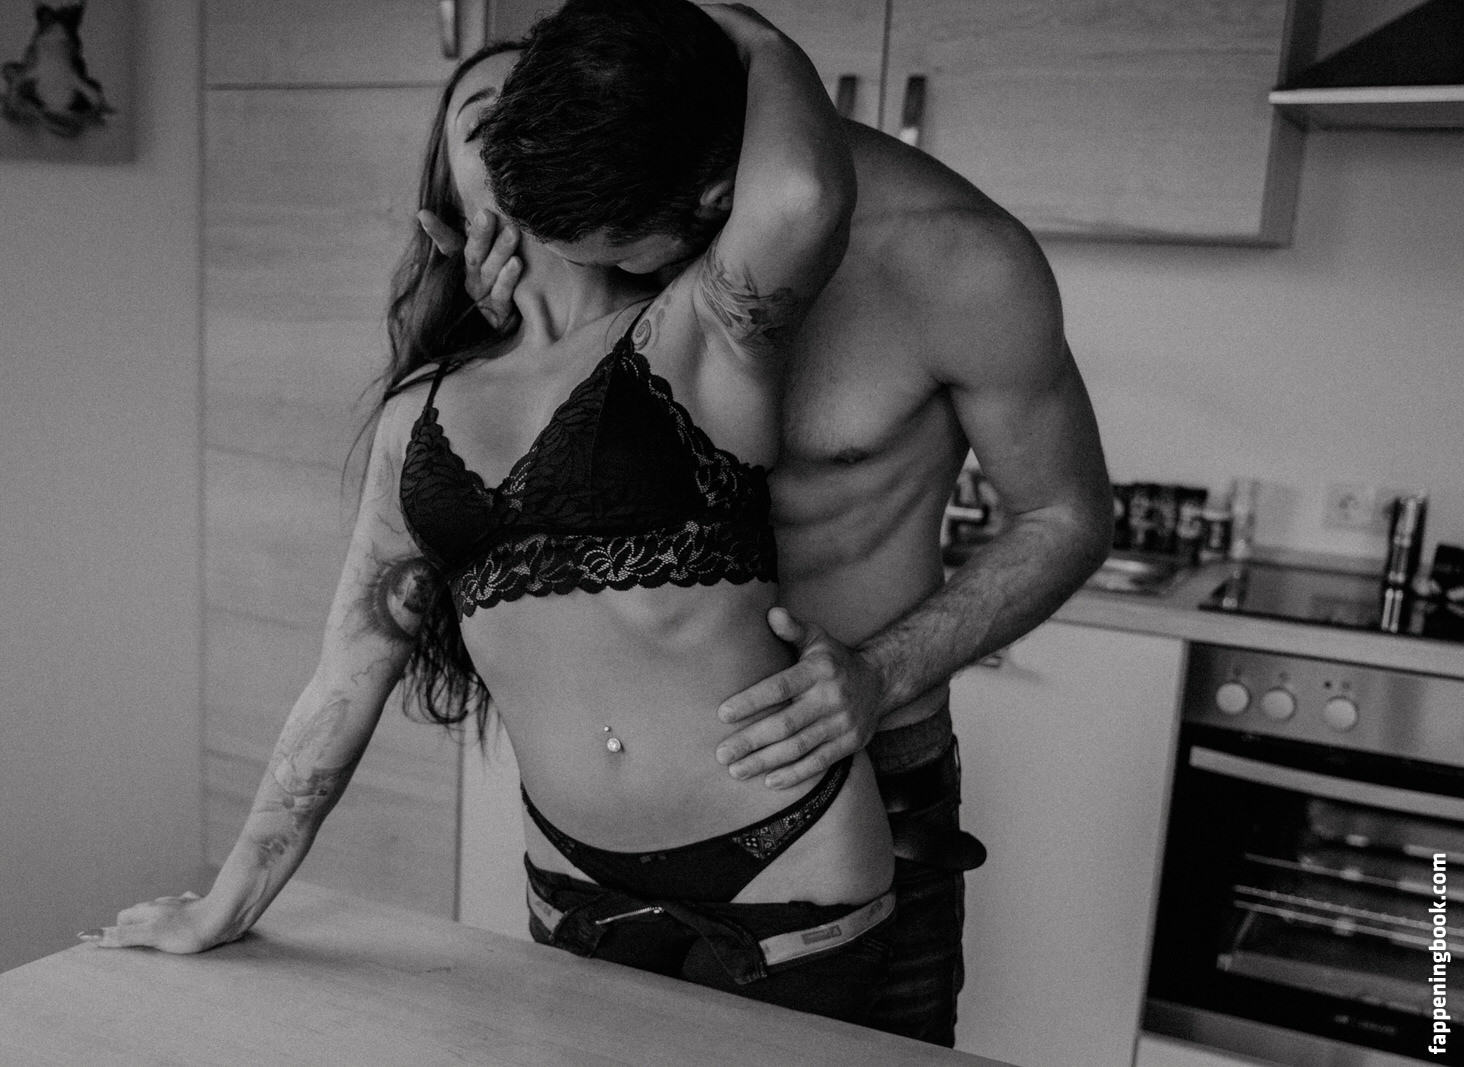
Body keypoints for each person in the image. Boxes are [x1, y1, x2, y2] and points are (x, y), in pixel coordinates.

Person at [85, 5, 906, 1026]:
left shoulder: (703, 330)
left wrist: (739, 32)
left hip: (787, 866)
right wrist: (228, 903)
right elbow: (344, 676)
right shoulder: (415, 418)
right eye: (488, 118)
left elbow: (804, 192)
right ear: (445, 204)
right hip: (575, 887)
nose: (527, 127)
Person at [467, 0, 1115, 1047]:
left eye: (624, 255)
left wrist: (882, 673)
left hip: (866, 777)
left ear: (714, 202)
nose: (617, 281)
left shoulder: (955, 260)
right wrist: (505, 336)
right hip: (617, 822)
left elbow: (1067, 513)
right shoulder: (601, 227)